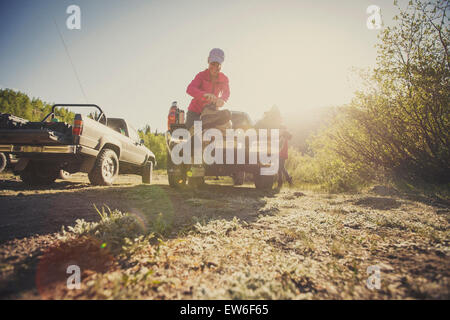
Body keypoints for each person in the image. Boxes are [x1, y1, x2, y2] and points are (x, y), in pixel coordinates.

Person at [185, 48, 230, 130]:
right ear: (208, 61)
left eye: (218, 65)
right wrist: (204, 94)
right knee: (193, 136)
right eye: (213, 64)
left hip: (211, 114)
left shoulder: (224, 78)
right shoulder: (201, 75)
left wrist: (222, 99)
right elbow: (190, 89)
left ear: (221, 65)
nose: (215, 67)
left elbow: (226, 93)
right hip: (195, 112)